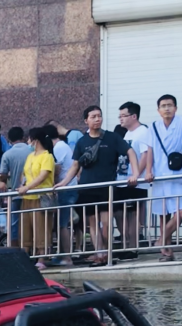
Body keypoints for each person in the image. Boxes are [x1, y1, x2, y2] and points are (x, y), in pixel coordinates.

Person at [55, 106, 140, 266]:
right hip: (87, 188)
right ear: (86, 120)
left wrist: (135, 173)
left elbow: (130, 152)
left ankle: (106, 253)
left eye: (99, 116)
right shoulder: (82, 141)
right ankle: (100, 254)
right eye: (93, 116)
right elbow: (75, 165)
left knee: (106, 223)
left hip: (107, 188)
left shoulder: (112, 137)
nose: (97, 119)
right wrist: (64, 182)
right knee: (92, 223)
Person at [143, 95, 182, 261]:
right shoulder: (154, 126)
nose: (167, 108)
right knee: (163, 214)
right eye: (163, 106)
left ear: (176, 108)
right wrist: (148, 171)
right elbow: (150, 150)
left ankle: (161, 239)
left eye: (170, 105)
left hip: (179, 175)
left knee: (180, 213)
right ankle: (167, 251)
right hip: (160, 175)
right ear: (158, 110)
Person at [115, 101, 151, 259]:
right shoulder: (128, 133)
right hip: (123, 179)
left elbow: (145, 155)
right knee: (122, 213)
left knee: (133, 214)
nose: (121, 119)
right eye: (120, 116)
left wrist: (137, 174)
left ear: (134, 116)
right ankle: (126, 245)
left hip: (135, 182)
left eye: (124, 115)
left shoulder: (142, 132)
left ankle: (132, 247)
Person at [17, 128, 56, 269]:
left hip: (41, 198)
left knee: (42, 228)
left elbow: (43, 176)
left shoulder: (47, 156)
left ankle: (42, 258)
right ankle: (25, 258)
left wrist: (27, 187)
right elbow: (24, 174)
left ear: (36, 140)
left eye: (29, 139)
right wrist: (23, 185)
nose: (28, 142)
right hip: (27, 197)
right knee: (25, 228)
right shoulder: (30, 156)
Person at [46, 124, 75, 266]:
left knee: (62, 224)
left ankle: (67, 257)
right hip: (67, 188)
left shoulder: (58, 148)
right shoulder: (63, 146)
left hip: (66, 189)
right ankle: (62, 255)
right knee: (60, 224)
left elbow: (56, 170)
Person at [0, 127, 31, 248]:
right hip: (31, 192)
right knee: (30, 221)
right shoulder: (31, 151)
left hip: (14, 193)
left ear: (9, 140)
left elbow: (2, 174)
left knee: (14, 223)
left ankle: (14, 249)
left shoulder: (7, 154)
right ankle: (30, 248)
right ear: (23, 137)